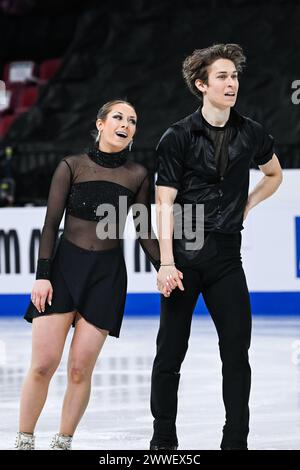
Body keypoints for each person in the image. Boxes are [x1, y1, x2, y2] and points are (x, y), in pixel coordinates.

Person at [15, 99, 175, 450]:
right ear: (101, 123)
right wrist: (42, 275)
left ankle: (63, 442)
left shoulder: (137, 175)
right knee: (43, 365)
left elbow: (143, 230)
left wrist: (164, 265)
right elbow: (49, 225)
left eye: (132, 120)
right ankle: (25, 440)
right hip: (62, 272)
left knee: (78, 370)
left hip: (106, 278)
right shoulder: (71, 166)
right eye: (118, 117)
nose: (126, 123)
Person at [150, 44, 283, 450]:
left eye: (235, 76)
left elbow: (273, 174)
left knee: (236, 352)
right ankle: (163, 439)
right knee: (170, 353)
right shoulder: (177, 136)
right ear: (201, 84)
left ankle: (235, 441)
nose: (232, 83)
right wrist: (166, 263)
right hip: (184, 254)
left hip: (227, 255)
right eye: (222, 76)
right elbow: (164, 203)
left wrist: (246, 205)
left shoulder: (252, 131)